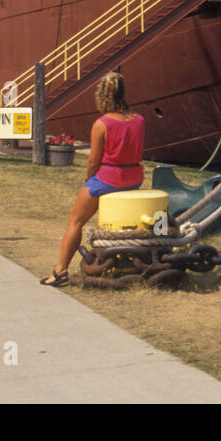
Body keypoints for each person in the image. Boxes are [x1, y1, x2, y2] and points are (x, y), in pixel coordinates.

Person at [41, 72, 145, 287]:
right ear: (123, 92)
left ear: (102, 95)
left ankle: (60, 271)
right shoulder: (139, 120)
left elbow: (93, 162)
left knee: (75, 222)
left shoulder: (101, 124)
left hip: (108, 179)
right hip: (134, 178)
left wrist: (89, 181)